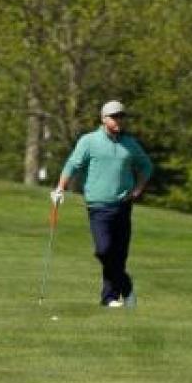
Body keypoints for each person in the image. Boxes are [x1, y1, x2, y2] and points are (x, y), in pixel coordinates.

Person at [54, 100, 153, 308]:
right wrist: (60, 187)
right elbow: (73, 164)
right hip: (99, 206)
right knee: (104, 250)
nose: (119, 120)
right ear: (103, 119)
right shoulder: (89, 141)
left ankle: (109, 298)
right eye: (114, 116)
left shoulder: (130, 144)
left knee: (119, 254)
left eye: (121, 116)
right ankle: (126, 287)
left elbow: (146, 166)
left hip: (123, 205)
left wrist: (138, 189)